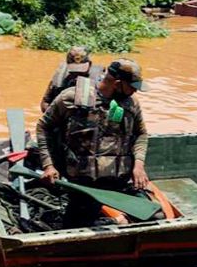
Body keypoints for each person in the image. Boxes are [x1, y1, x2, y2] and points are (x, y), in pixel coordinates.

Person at [36, 59, 151, 228]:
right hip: (84, 183)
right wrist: (48, 165)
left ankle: (116, 219)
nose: (135, 91)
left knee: (155, 214)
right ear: (118, 83)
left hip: (119, 180)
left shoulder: (131, 103)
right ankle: (113, 220)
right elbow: (43, 127)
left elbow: (141, 133)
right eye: (132, 86)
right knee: (77, 227)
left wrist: (139, 165)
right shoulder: (71, 98)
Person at [40, 46, 104, 112]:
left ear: (90, 65)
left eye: (81, 70)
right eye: (74, 70)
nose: (77, 74)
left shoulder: (99, 78)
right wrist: (54, 115)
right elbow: (45, 102)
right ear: (67, 65)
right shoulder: (59, 78)